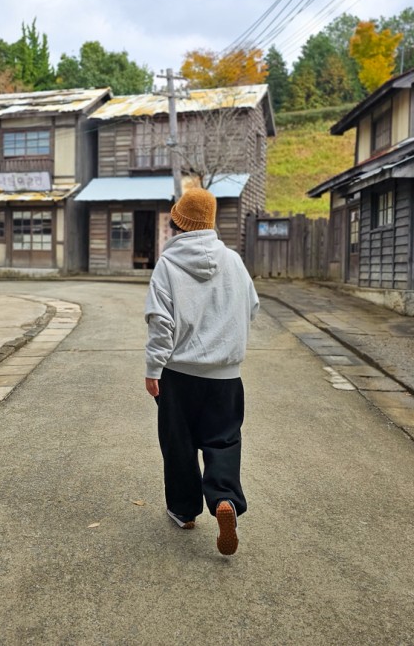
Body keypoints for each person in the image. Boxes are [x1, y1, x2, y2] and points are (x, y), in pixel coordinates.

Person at [144, 187, 259, 555]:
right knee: (223, 439)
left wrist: (153, 369)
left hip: (178, 375)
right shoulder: (234, 262)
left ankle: (184, 511)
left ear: (177, 221)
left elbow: (160, 322)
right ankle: (224, 499)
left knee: (179, 444)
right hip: (226, 376)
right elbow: (252, 307)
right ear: (210, 222)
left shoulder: (167, 264)